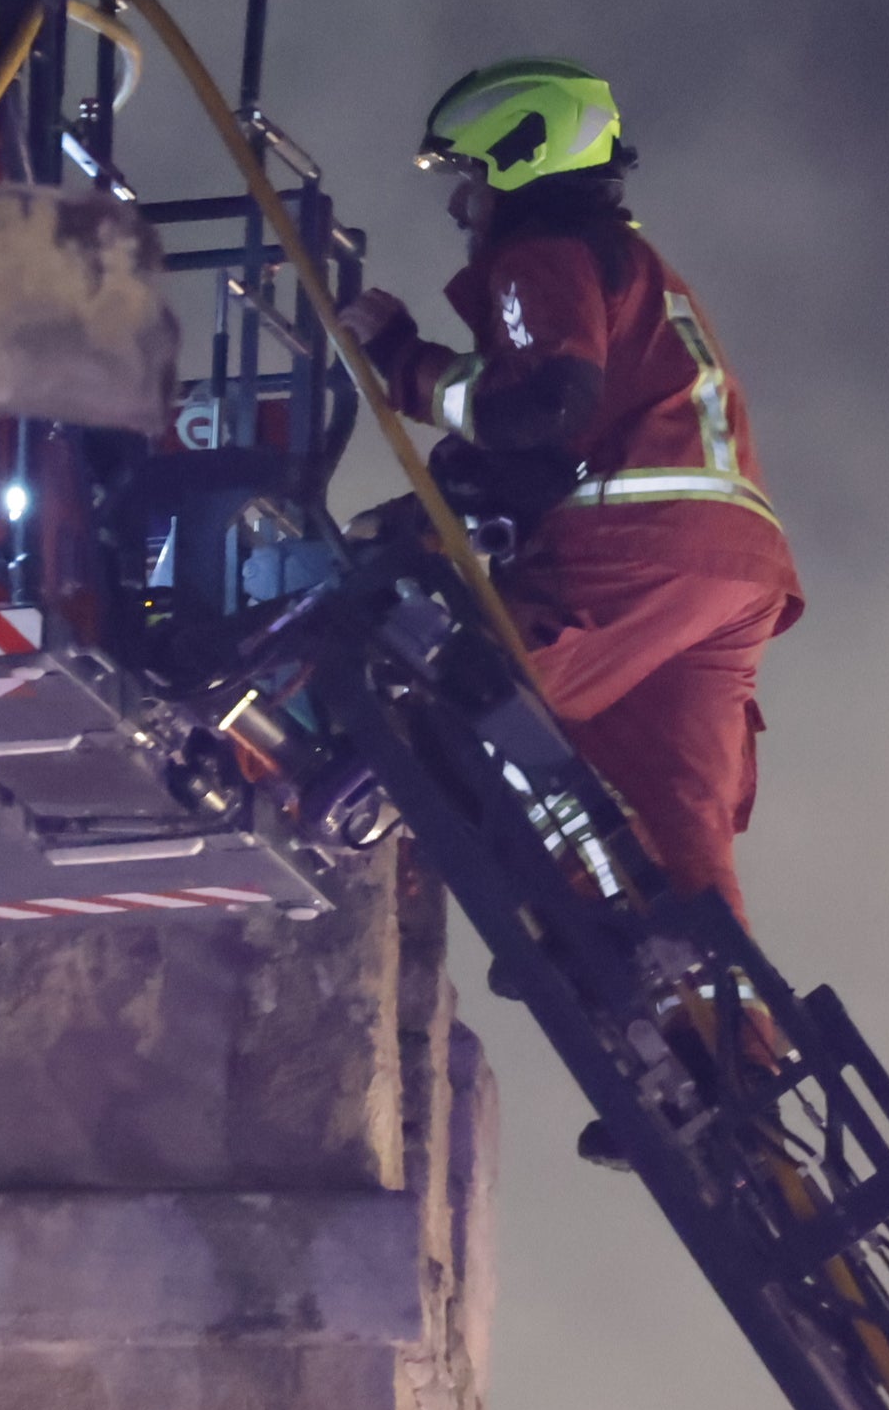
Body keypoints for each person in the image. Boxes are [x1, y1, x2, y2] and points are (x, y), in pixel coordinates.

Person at [341, 57, 802, 927]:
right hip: (732, 572)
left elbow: (546, 403)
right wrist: (443, 501)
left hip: (637, 551)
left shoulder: (543, 253)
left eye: (470, 177)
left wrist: (404, 360)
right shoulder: (633, 267)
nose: (460, 205)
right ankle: (704, 1006)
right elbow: (552, 448)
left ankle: (579, 930)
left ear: (521, 157)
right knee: (682, 829)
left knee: (460, 698)